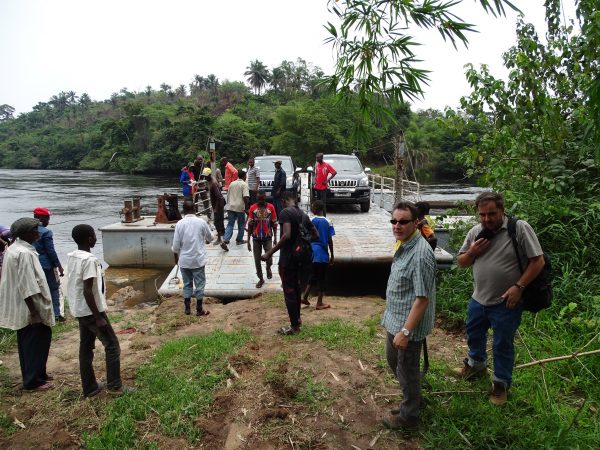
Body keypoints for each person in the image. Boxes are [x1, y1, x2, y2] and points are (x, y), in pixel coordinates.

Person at [454, 192, 545, 405]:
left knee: (502, 343)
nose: (487, 219)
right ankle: (475, 366)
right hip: (478, 299)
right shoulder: (476, 232)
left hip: (507, 302)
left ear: (502, 210)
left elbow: (538, 261)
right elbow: (462, 262)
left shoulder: (519, 228)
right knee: (474, 335)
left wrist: (519, 287)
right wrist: (473, 251)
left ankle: (500, 385)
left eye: (492, 214)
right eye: (482, 214)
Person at [381, 202, 436, 431]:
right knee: (395, 363)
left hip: (407, 327)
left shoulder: (420, 254)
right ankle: (411, 399)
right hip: (395, 319)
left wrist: (405, 332)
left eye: (403, 222)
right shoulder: (404, 244)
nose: (397, 225)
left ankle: (409, 417)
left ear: (416, 222)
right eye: (394, 221)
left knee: (407, 371)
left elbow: (422, 299)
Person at [66, 224, 132, 397]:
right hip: (91, 312)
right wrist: (98, 317)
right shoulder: (89, 260)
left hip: (80, 310)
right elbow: (88, 289)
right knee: (112, 345)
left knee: (85, 348)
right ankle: (115, 386)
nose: (96, 238)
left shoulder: (73, 257)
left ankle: (90, 387)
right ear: (89, 239)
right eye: (94, 236)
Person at [0, 218, 54, 392]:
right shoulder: (24, 253)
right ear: (26, 234)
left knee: (27, 343)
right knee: (36, 342)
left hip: (22, 306)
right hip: (30, 307)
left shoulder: (14, 249)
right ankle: (33, 381)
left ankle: (37, 375)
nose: (37, 233)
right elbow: (27, 285)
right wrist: (35, 313)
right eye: (34, 231)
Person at [262, 191, 318, 335]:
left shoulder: (286, 212)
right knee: (297, 289)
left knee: (289, 292)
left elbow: (286, 235)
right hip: (302, 260)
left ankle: (294, 326)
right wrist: (302, 244)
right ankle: (297, 320)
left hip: (287, 260)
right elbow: (315, 235)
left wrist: (269, 252)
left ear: (284, 201)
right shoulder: (304, 215)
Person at [171, 200, 213, 316]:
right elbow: (211, 238)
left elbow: (175, 246)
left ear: (183, 211)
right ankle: (199, 309)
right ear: (195, 209)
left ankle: (187, 308)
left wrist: (176, 258)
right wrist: (206, 240)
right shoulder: (201, 222)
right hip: (198, 259)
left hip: (184, 260)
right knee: (200, 284)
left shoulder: (180, 224)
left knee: (187, 284)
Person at [301, 199, 335, 310]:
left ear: (315, 209)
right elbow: (329, 240)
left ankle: (305, 296)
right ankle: (319, 303)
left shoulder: (310, 220)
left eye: (312, 207)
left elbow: (305, 235)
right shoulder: (328, 222)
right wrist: (332, 255)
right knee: (322, 278)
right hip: (323, 254)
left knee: (313, 276)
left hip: (312, 253)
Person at [33, 207, 65, 322]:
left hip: (33, 265)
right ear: (41, 218)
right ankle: (56, 314)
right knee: (53, 288)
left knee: (37, 290)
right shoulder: (46, 232)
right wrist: (59, 266)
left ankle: (41, 314)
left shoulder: (28, 230)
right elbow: (51, 251)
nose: (48, 221)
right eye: (47, 218)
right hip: (46, 265)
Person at [247, 191, 278, 288]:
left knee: (269, 258)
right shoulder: (252, 208)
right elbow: (250, 225)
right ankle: (260, 278)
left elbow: (274, 223)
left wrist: (275, 238)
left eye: (262, 199)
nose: (261, 201)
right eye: (259, 199)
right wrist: (248, 240)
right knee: (257, 260)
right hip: (256, 238)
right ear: (257, 198)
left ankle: (268, 268)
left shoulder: (271, 207)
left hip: (268, 237)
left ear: (265, 198)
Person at [222, 170, 249, 248]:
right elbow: (246, 197)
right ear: (244, 176)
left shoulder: (232, 183)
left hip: (230, 206)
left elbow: (228, 195)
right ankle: (239, 240)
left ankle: (225, 239)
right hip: (239, 207)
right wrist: (247, 208)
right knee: (241, 224)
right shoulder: (244, 184)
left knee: (230, 224)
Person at [204, 168, 227, 249]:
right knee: (220, 220)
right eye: (204, 176)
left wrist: (216, 209)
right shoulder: (211, 180)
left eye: (206, 176)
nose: (205, 178)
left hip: (218, 205)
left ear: (209, 175)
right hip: (217, 205)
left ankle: (219, 239)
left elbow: (219, 197)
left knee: (216, 222)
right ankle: (223, 234)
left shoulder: (213, 183)